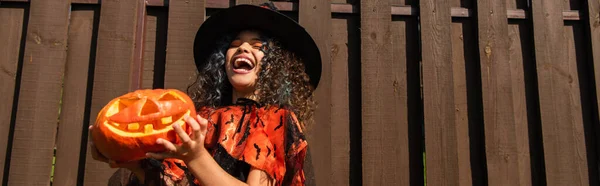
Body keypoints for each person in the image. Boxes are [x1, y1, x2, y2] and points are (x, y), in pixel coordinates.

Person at [88, 3, 322, 186]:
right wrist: (136, 165)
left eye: (258, 46)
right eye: (235, 44)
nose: (243, 48)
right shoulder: (200, 119)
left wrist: (196, 156)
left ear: (276, 66)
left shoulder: (277, 120)